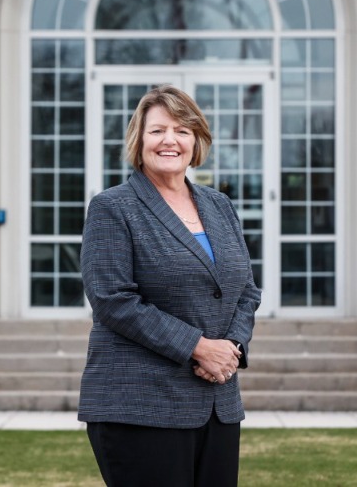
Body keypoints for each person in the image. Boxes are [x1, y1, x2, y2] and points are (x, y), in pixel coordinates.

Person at [78, 84, 262, 487]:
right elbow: (113, 300)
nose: (170, 141)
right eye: (157, 130)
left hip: (218, 402)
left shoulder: (219, 205)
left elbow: (246, 290)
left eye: (182, 130)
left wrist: (230, 349)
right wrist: (200, 347)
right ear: (139, 139)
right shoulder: (113, 207)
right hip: (140, 405)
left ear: (196, 141)